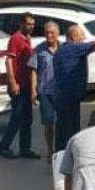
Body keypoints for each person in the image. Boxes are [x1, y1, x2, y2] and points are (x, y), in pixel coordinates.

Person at [54, 25, 95, 152]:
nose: (84, 38)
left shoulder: (64, 49)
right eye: (82, 35)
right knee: (70, 129)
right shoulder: (73, 48)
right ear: (74, 36)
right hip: (69, 96)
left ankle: (62, 154)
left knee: (63, 127)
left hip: (65, 95)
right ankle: (69, 155)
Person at [0, 12, 40, 160]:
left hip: (27, 83)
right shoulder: (15, 39)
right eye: (28, 24)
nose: (31, 27)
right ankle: (4, 147)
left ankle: (25, 148)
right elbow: (9, 61)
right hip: (19, 84)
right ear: (21, 24)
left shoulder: (27, 39)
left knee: (27, 118)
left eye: (33, 25)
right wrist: (12, 82)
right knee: (16, 117)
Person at [28, 21, 60, 163]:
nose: (49, 35)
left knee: (61, 122)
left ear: (57, 33)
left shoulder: (64, 48)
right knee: (48, 123)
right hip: (45, 91)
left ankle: (61, 151)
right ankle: (50, 151)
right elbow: (34, 71)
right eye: (47, 32)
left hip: (61, 92)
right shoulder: (39, 49)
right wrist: (33, 90)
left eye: (52, 32)